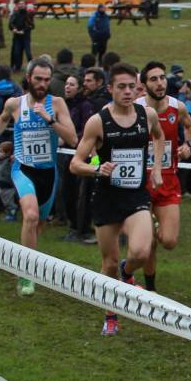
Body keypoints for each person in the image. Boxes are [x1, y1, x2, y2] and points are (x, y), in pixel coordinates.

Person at [70, 62, 163, 336]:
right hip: (107, 198)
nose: (127, 92)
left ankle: (128, 269)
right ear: (110, 88)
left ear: (138, 88)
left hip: (136, 195)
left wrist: (156, 167)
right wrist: (97, 168)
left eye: (132, 87)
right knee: (108, 263)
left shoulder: (147, 115)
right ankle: (111, 314)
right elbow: (75, 163)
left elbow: (159, 138)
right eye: (121, 87)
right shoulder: (98, 121)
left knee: (141, 252)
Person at [0, 59, 78, 295]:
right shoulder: (15, 104)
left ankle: (22, 260)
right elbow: (3, 118)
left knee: (38, 226)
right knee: (31, 215)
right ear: (28, 78)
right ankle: (28, 275)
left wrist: (50, 120)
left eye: (47, 79)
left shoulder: (56, 104)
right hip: (23, 170)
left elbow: (73, 138)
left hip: (48, 173)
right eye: (38, 79)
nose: (43, 84)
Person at [136, 61, 191, 292]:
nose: (160, 83)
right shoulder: (136, 107)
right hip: (140, 179)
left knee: (169, 241)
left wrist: (188, 144)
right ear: (143, 84)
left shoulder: (177, 107)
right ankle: (150, 288)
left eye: (162, 78)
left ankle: (151, 231)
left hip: (168, 178)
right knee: (148, 240)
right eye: (154, 79)